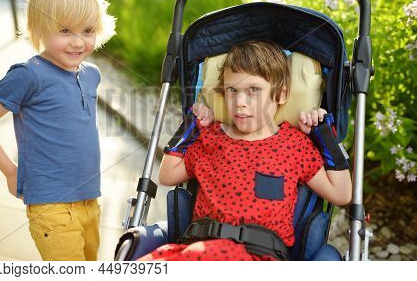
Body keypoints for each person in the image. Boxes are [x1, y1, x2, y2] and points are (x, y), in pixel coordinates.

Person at [138, 40, 352, 261]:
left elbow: (341, 193)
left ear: (281, 95)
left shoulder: (295, 144)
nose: (240, 102)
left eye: (254, 90)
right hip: (198, 246)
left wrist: (324, 136)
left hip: (257, 255)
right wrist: (191, 127)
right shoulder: (210, 136)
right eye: (232, 90)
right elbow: (167, 175)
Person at [0, 0, 116, 261]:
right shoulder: (28, 75)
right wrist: (11, 171)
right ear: (40, 28)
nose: (77, 42)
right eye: (65, 31)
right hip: (51, 206)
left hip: (90, 200)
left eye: (87, 30)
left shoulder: (91, 75)